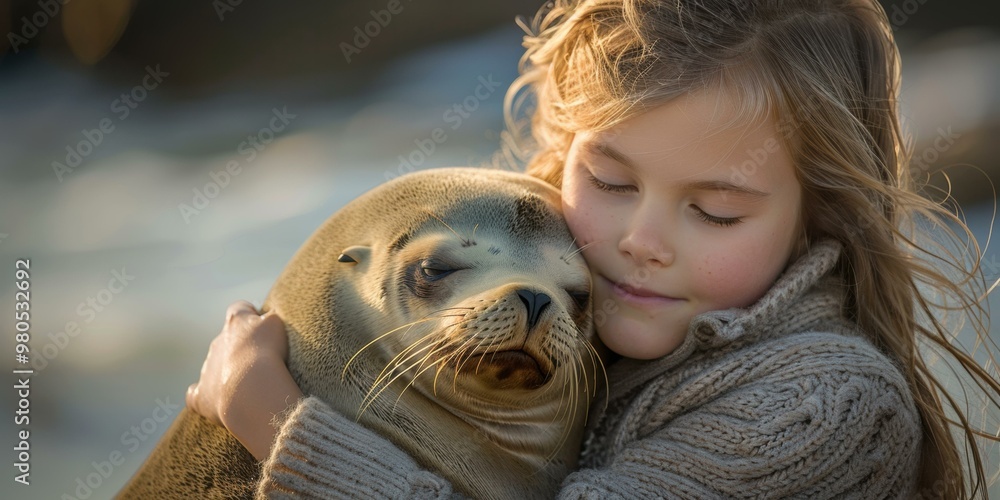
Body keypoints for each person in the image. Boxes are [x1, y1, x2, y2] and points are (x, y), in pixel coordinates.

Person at [185, 0, 1000, 497]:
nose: (641, 242)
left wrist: (279, 424)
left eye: (715, 212)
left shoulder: (829, 408)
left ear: (819, 216)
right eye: (609, 181)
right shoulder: (558, 308)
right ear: (563, 145)